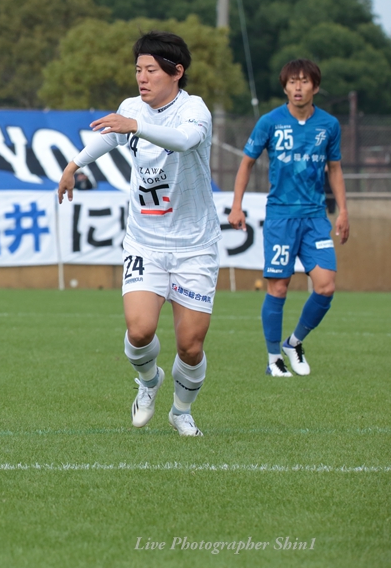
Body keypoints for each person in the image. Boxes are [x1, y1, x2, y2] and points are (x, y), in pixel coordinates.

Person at [59, 31, 218, 437]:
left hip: (194, 245)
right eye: (138, 70)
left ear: (176, 72)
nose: (142, 78)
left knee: (190, 345)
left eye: (151, 70)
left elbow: (184, 141)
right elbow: (110, 137)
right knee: (139, 330)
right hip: (145, 242)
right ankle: (149, 382)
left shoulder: (194, 110)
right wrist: (73, 166)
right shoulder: (131, 108)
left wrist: (137, 126)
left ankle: (181, 411)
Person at [228, 59, 347, 377]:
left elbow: (335, 169)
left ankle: (293, 343)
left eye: (304, 81)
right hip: (281, 217)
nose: (298, 87)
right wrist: (236, 206)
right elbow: (247, 163)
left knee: (325, 286)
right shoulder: (270, 122)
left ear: (315, 87)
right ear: (285, 87)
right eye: (292, 81)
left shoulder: (329, 125)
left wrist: (344, 211)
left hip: (315, 218)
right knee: (278, 288)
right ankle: (273, 360)